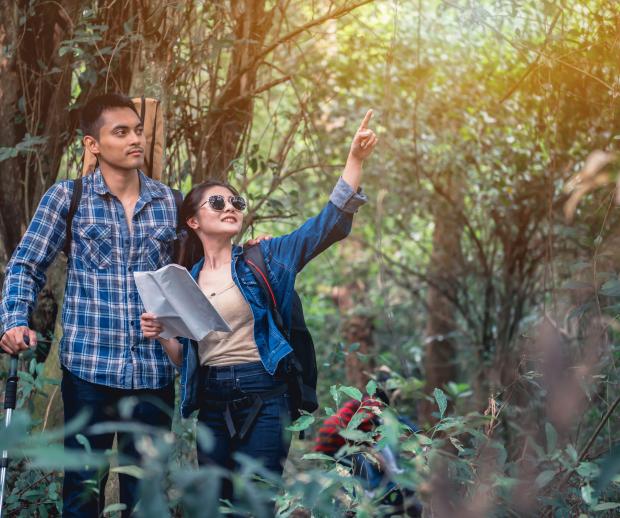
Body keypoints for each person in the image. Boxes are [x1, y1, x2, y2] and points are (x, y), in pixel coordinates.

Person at [140, 110, 378, 508]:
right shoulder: (185, 280)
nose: (230, 206)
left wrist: (354, 159)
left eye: (235, 201)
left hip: (265, 395)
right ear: (194, 220)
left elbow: (325, 226)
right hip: (212, 401)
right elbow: (187, 360)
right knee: (216, 506)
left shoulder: (265, 257)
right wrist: (163, 332)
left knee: (258, 503)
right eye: (217, 202)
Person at [0, 93, 179, 517]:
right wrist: (13, 320)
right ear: (91, 144)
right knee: (82, 498)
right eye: (120, 132)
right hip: (89, 373)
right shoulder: (67, 198)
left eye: (137, 130)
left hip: (152, 376)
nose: (134, 139)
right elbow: (25, 265)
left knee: (145, 500)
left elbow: (202, 268)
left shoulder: (170, 202)